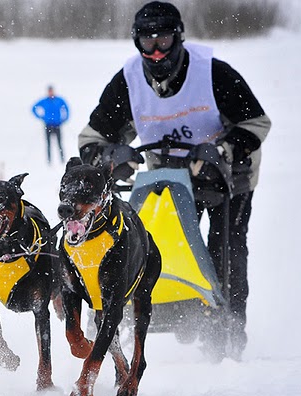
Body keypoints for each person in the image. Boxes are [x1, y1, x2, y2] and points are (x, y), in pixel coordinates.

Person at [77, 1, 271, 354]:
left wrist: (224, 150)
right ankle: (185, 312)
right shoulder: (129, 81)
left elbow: (256, 123)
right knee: (169, 247)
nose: (155, 52)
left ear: (178, 39)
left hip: (230, 175)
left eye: (163, 41)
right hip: (169, 176)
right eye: (146, 42)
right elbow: (91, 138)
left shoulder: (213, 72)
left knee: (225, 247)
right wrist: (111, 154)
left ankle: (230, 333)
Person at [32, 86, 70, 164]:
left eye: (51, 91)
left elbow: (67, 108)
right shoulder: (44, 101)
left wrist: (64, 118)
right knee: (48, 144)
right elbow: (34, 108)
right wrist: (41, 117)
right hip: (48, 125)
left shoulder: (59, 100)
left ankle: (62, 160)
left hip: (57, 125)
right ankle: (49, 161)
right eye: (49, 91)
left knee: (59, 143)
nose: (51, 93)